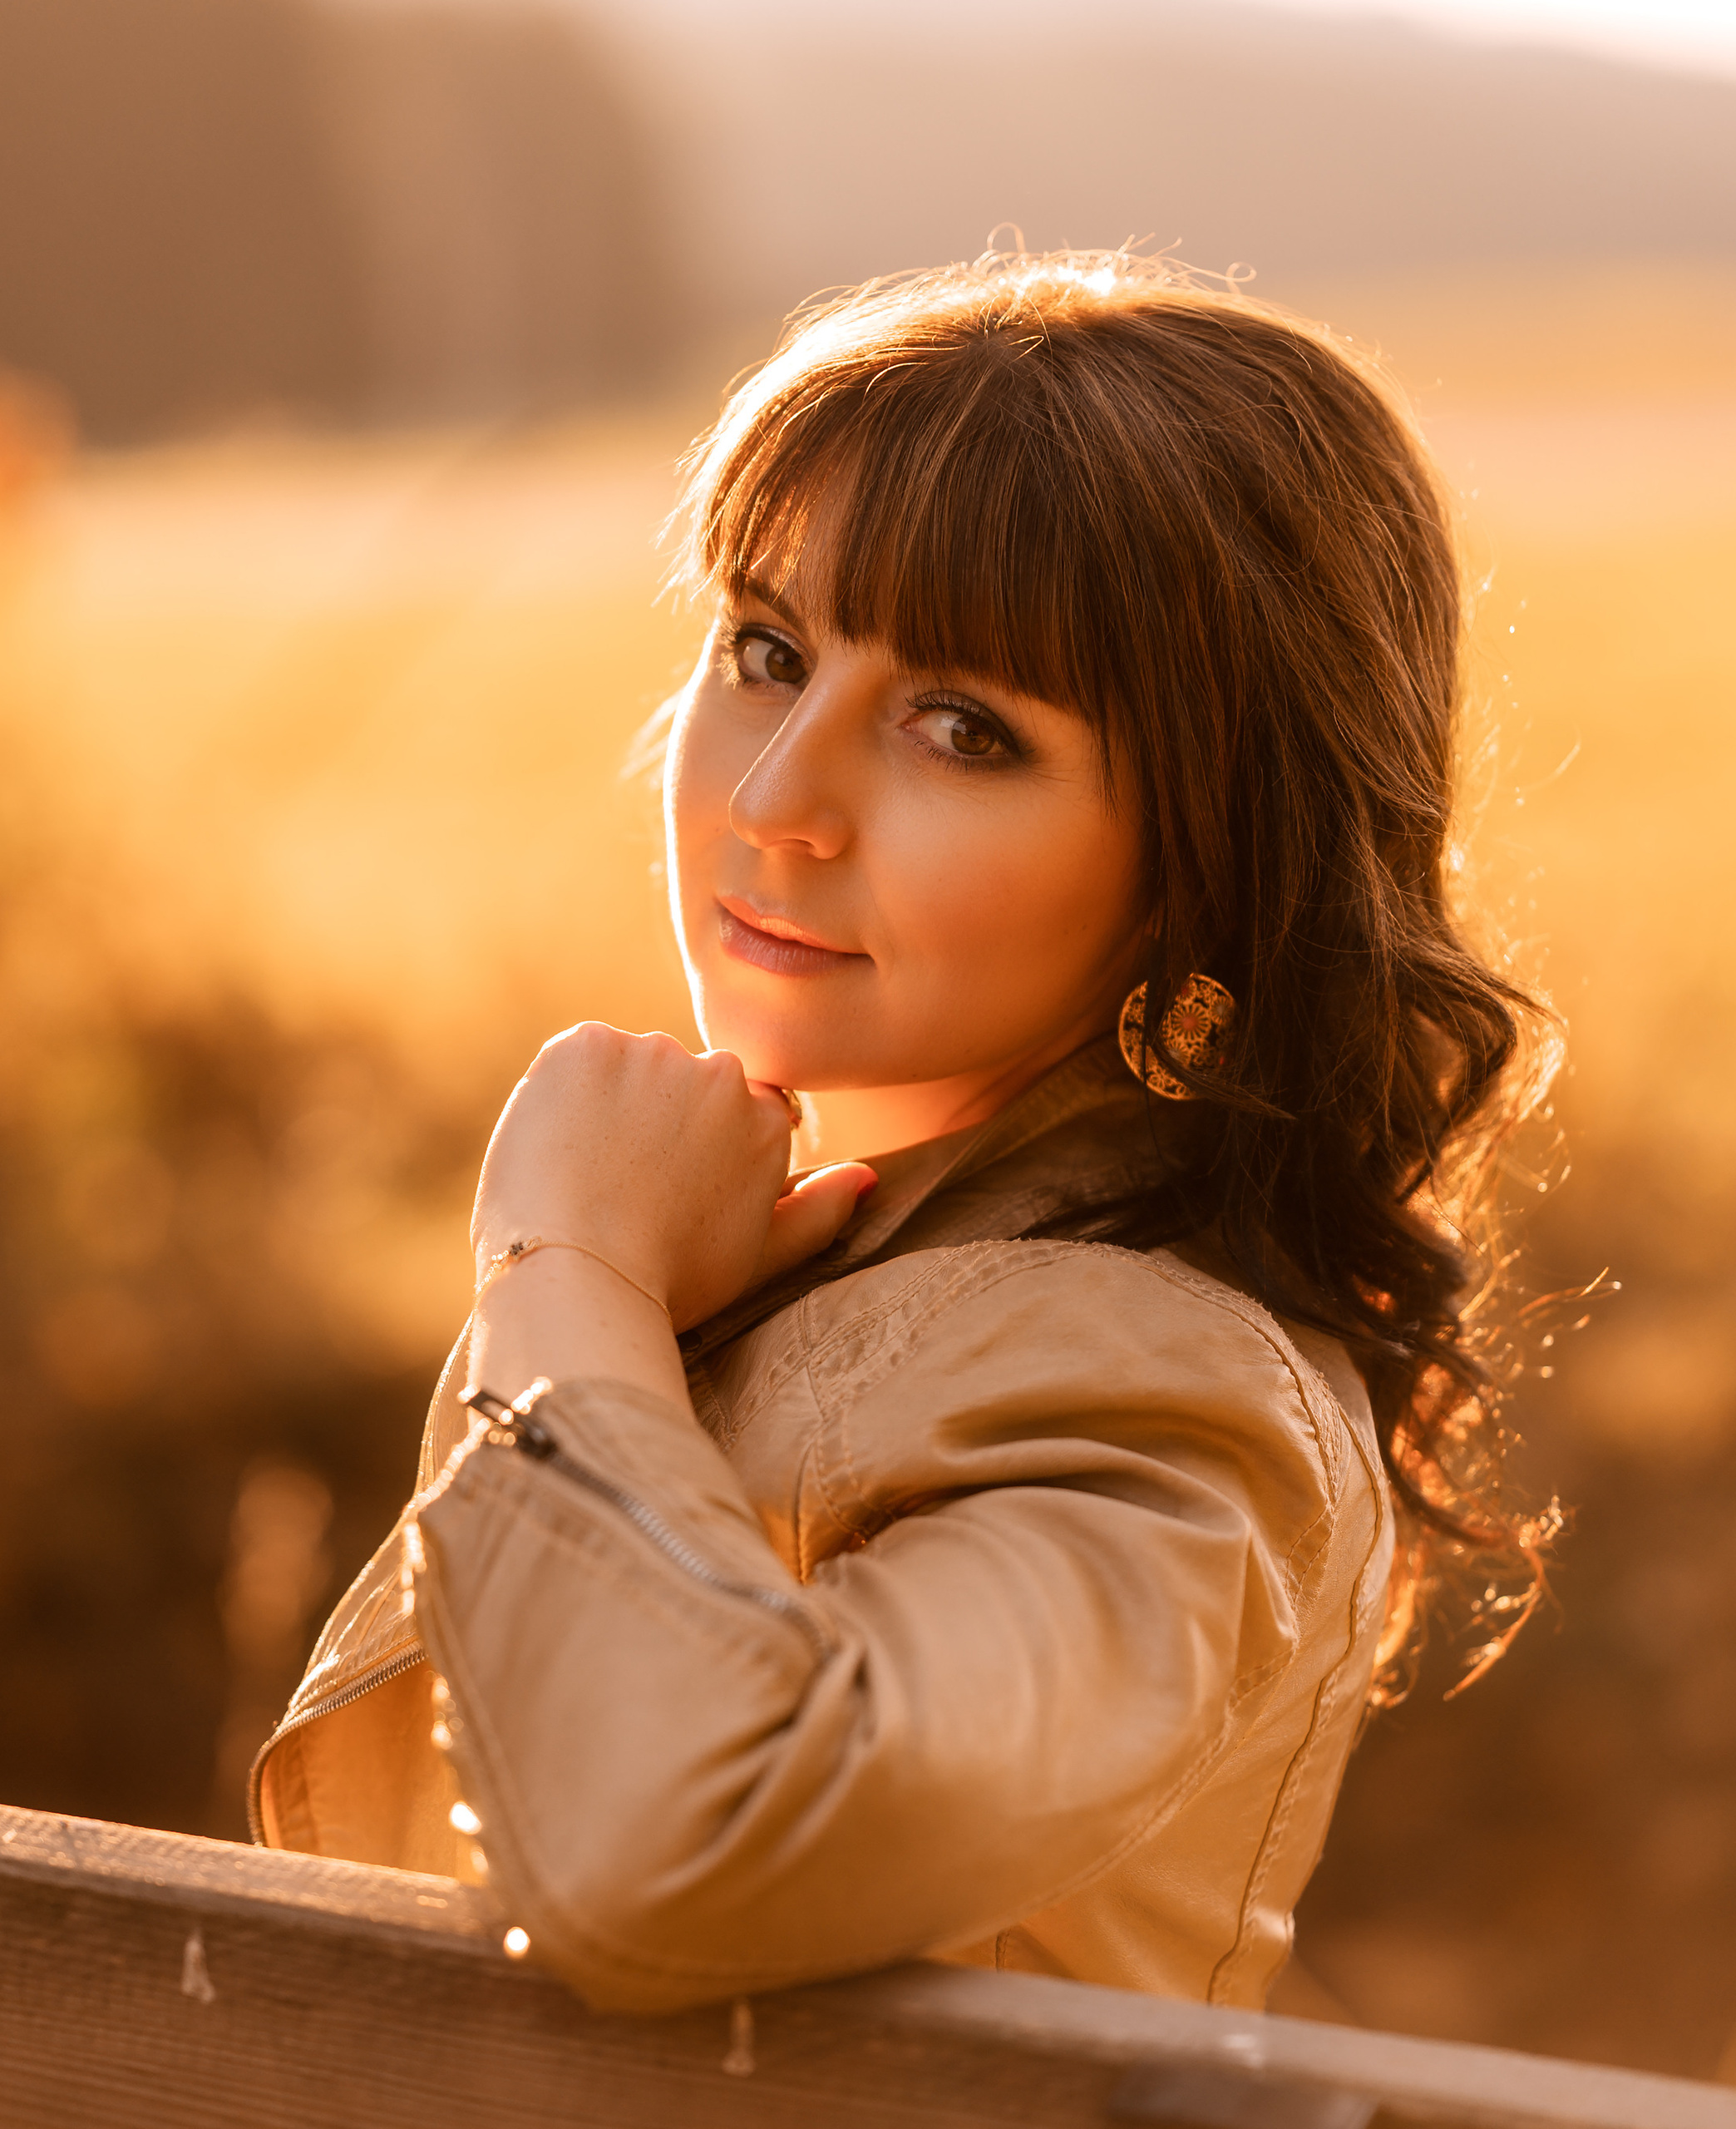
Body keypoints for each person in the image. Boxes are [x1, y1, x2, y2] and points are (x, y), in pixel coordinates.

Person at [249, 251, 1555, 2015]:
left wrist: (559, 1266)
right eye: (764, 650)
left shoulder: (1170, 1406)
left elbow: (683, 1836)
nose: (775, 798)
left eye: (962, 729)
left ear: (1214, 864)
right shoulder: (790, 1268)